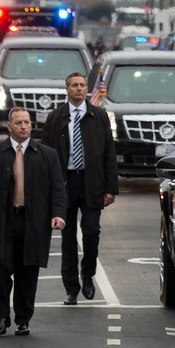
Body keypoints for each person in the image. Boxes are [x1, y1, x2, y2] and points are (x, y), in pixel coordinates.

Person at [0, 108, 66, 336]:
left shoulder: (47, 155)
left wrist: (59, 214)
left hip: (34, 222)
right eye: (18, 123)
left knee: (28, 272)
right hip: (1, 221)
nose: (24, 126)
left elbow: (58, 190)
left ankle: (23, 319)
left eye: (27, 122)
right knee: (1, 270)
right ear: (9, 127)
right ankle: (1, 316)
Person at [42, 71, 118, 304]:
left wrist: (110, 188)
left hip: (91, 182)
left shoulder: (99, 116)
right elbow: (45, 156)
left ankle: (88, 274)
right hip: (64, 185)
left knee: (91, 231)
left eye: (82, 85)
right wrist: (47, 190)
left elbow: (109, 154)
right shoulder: (55, 118)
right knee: (67, 239)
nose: (78, 89)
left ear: (87, 89)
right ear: (67, 89)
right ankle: (71, 288)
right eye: (74, 85)